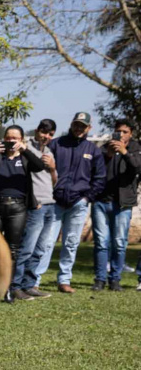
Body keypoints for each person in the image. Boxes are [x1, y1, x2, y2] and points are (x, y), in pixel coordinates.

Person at [0, 125, 46, 302]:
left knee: (12, 251)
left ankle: (8, 289)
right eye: (8, 138)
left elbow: (40, 166)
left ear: (21, 140)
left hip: (17, 209)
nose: (10, 141)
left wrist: (25, 150)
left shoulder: (25, 157)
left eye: (15, 138)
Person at [47, 112, 106, 294]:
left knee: (71, 243)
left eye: (83, 125)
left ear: (89, 128)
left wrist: (86, 198)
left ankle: (64, 280)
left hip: (78, 203)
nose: (79, 128)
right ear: (71, 124)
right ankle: (34, 278)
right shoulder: (56, 144)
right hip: (55, 201)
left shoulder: (93, 150)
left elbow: (100, 178)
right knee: (47, 242)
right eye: (76, 124)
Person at [90, 119, 141, 291]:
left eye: (125, 132)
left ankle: (115, 280)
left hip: (123, 203)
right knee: (101, 243)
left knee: (119, 243)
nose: (121, 135)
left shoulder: (136, 148)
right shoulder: (104, 148)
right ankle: (99, 279)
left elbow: (137, 168)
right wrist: (109, 155)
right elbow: (94, 170)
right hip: (101, 201)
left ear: (131, 133)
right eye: (118, 131)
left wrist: (125, 152)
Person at [13, 119, 59, 299]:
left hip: (50, 204)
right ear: (37, 131)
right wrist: (32, 201)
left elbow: (54, 181)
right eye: (44, 132)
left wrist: (53, 168)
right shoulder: (26, 148)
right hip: (36, 205)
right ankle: (15, 286)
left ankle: (29, 284)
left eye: (50, 134)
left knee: (41, 249)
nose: (46, 136)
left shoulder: (49, 152)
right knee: (27, 247)